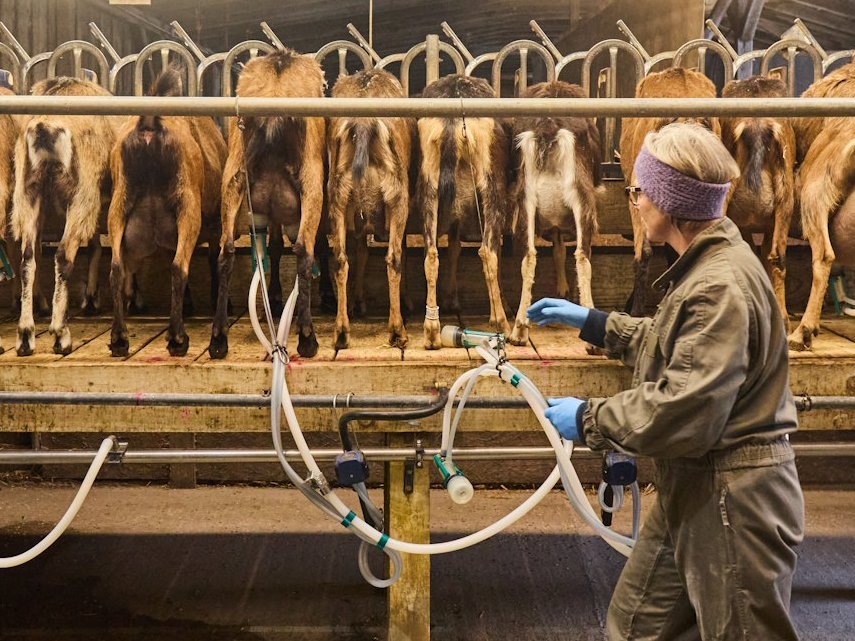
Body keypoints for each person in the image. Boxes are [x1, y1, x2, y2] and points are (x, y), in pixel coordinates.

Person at [528, 122, 805, 641]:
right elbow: (673, 341)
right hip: (696, 484)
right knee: (635, 626)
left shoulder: (718, 286)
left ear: (669, 201)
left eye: (639, 191)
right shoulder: (709, 269)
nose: (634, 202)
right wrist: (593, 322)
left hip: (733, 496)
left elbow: (684, 408)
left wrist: (589, 418)